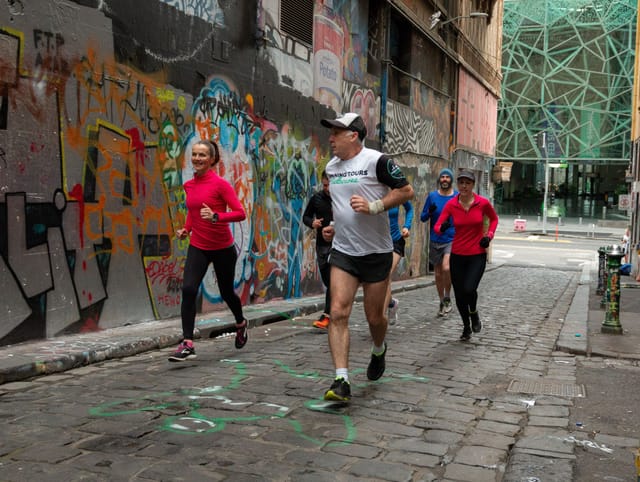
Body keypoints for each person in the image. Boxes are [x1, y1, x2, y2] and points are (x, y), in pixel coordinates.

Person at [319, 113, 414, 402]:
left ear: (354, 135)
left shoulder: (378, 161)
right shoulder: (332, 167)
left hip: (377, 252)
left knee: (375, 317)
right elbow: (340, 206)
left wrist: (374, 206)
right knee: (338, 312)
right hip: (344, 251)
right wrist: (334, 227)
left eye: (337, 132)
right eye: (331, 132)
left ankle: (378, 348)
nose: (331, 138)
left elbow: (406, 191)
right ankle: (341, 380)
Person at [169, 139, 249, 361]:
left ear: (213, 160)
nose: (197, 159)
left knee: (226, 292)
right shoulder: (189, 185)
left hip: (223, 248)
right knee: (188, 289)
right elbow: (193, 211)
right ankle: (187, 343)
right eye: (194, 154)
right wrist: (186, 229)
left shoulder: (221, 185)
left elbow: (240, 213)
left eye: (202, 155)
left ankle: (241, 322)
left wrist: (216, 217)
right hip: (199, 246)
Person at [434, 170, 498, 342]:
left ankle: (474, 312)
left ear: (472, 185)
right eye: (461, 182)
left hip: (477, 254)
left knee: (469, 289)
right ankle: (466, 327)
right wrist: (443, 226)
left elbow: (494, 219)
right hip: (457, 255)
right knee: (460, 295)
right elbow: (437, 226)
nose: (464, 186)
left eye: (467, 183)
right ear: (458, 185)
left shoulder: (482, 203)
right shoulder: (451, 205)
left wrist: (489, 236)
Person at [420, 168, 457, 317]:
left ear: (451, 180)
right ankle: (441, 301)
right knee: (437, 273)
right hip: (435, 239)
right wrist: (430, 211)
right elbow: (423, 217)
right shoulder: (432, 196)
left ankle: (448, 296)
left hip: (451, 238)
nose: (445, 179)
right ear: (439, 180)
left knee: (446, 268)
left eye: (448, 177)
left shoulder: (457, 197)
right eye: (443, 177)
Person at [302, 170, 333, 329]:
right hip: (322, 246)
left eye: (330, 185)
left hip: (339, 246)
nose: (327, 188)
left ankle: (327, 315)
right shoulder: (317, 199)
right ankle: (336, 309)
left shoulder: (342, 198)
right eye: (325, 185)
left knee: (334, 282)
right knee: (329, 282)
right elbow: (306, 217)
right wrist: (312, 223)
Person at [385, 201, 414, 325]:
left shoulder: (396, 192)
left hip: (395, 241)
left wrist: (406, 226)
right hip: (376, 244)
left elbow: (410, 209)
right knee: (378, 280)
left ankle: (379, 320)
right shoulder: (369, 190)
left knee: (385, 275)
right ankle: (391, 303)